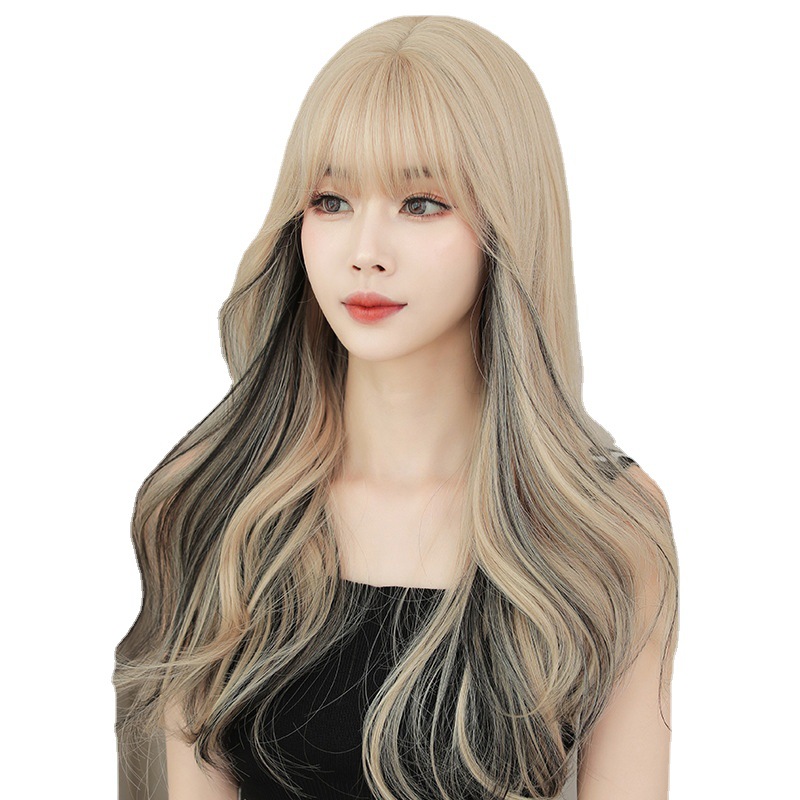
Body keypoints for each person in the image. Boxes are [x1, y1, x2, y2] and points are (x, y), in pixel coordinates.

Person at [114, 15, 679, 800]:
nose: (365, 251)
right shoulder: (219, 506)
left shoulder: (605, 525)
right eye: (331, 200)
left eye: (421, 202)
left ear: (507, 221)